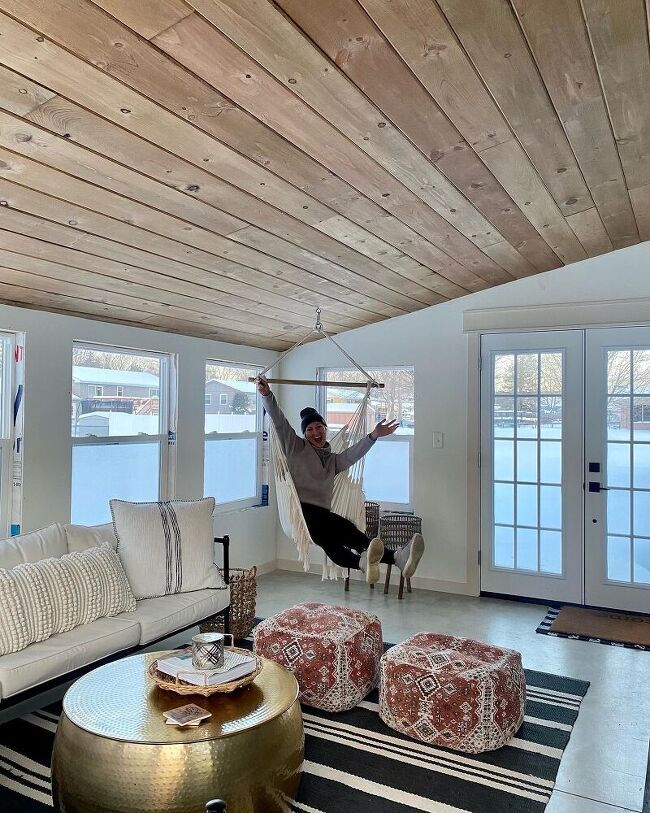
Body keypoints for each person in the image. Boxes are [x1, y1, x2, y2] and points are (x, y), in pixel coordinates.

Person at [256, 376, 425, 584]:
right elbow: (279, 422)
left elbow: (352, 455)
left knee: (341, 536)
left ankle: (381, 561)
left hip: (322, 517)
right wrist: (266, 395)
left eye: (319, 427)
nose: (315, 432)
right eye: (310, 429)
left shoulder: (332, 461)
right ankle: (393, 557)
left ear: (325, 429)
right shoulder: (295, 448)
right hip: (301, 514)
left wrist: (373, 435)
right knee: (341, 532)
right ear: (304, 434)